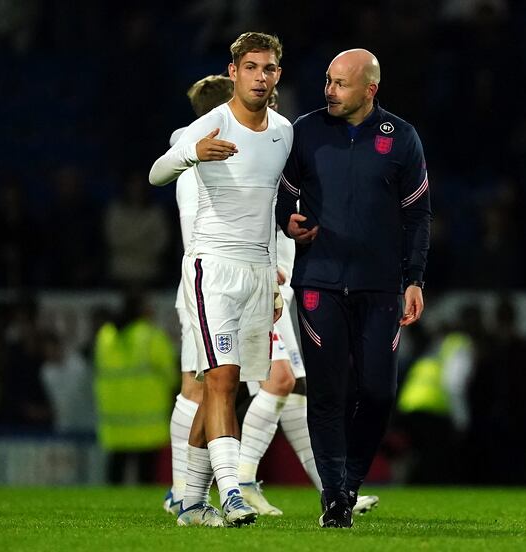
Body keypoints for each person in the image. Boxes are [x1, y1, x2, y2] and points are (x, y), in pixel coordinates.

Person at [276, 48, 431, 528]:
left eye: (340, 83)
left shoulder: (401, 138)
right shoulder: (305, 131)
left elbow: (417, 215)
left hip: (381, 288)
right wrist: (289, 220)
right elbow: (281, 192)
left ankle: (349, 483)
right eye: (327, 80)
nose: (329, 90)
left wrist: (414, 279)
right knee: (327, 393)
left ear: (370, 89)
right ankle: (335, 497)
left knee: (379, 394)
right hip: (318, 283)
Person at [149, 32, 291, 527]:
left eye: (268, 68)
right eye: (250, 67)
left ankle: (190, 502)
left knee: (223, 389)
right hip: (213, 268)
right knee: (220, 380)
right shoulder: (210, 123)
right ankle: (231, 491)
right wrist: (192, 154)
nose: (260, 76)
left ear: (277, 75)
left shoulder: (284, 132)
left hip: (257, 272)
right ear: (234, 72)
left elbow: (272, 204)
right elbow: (156, 172)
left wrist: (275, 280)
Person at [236, 89, 379, 518]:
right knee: (279, 382)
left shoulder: (288, 152)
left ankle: (332, 489)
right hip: (261, 286)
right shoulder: (249, 155)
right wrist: (264, 266)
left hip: (284, 287)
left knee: (297, 390)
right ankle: (239, 483)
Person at [162, 74, 235, 515]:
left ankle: (184, 490)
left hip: (205, 280)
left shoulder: (193, 156)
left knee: (201, 384)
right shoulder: (198, 162)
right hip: (207, 282)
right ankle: (184, 492)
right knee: (198, 387)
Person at [93, 290, 177, 484]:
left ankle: (108, 513)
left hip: (115, 422)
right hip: (148, 423)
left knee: (115, 475)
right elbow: (171, 375)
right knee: (145, 478)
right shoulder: (150, 336)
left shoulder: (105, 336)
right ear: (143, 310)